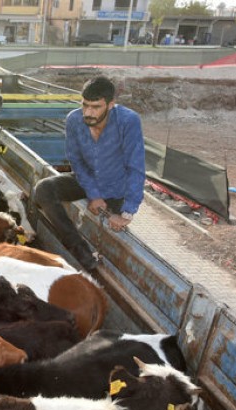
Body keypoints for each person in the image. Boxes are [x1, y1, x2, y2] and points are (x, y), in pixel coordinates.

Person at [33, 76, 145, 272]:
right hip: (85, 181)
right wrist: (93, 194)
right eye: (85, 105)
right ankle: (80, 251)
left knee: (114, 234)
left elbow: (136, 167)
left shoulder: (128, 121)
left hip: (115, 188)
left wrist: (128, 212)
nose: (88, 112)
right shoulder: (74, 120)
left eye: (96, 107)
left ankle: (105, 269)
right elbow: (76, 161)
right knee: (43, 189)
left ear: (111, 105)